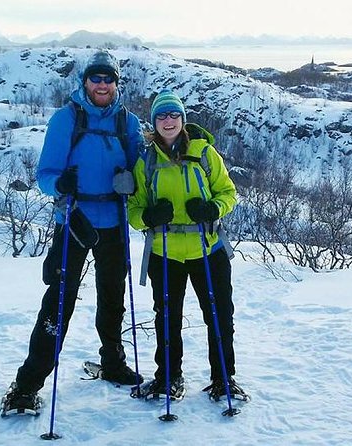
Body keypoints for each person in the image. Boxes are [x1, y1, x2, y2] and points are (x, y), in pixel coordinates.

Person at [1, 50, 144, 416]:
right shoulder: (66, 119)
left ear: (117, 84)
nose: (102, 84)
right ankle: (26, 385)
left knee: (113, 296)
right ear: (85, 81)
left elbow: (142, 169)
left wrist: (133, 183)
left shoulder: (128, 123)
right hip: (75, 219)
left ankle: (112, 361)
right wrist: (59, 183)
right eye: (95, 78)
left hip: (113, 219)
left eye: (108, 78)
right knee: (59, 300)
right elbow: (45, 175)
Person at [127, 90, 247, 401]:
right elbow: (134, 210)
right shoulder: (147, 161)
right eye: (162, 116)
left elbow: (228, 193)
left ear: (183, 119)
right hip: (164, 252)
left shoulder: (205, 153)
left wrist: (213, 210)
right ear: (155, 122)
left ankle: (223, 379)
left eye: (173, 115)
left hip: (207, 249)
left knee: (219, 315)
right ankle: (168, 377)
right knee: (167, 317)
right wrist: (149, 217)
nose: (168, 121)